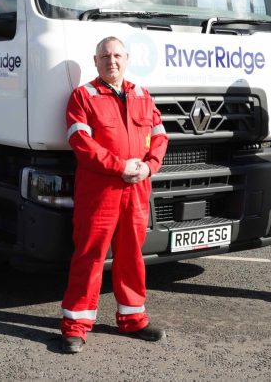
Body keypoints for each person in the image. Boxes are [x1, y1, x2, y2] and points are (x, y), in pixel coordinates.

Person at [60, 36, 169, 354]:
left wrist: (149, 167)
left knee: (132, 256)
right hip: (100, 192)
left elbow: (160, 135)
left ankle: (133, 319)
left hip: (137, 189)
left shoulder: (142, 95)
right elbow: (81, 142)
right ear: (95, 61)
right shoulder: (83, 96)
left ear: (127, 58)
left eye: (117, 55)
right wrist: (120, 166)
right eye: (105, 56)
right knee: (90, 256)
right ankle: (75, 326)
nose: (112, 61)